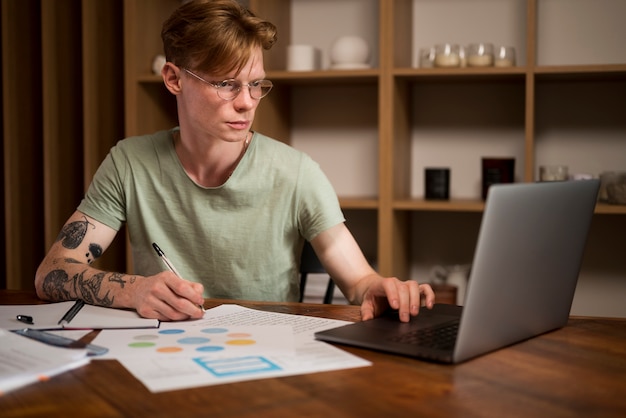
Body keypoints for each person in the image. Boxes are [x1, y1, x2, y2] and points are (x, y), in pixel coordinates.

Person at [34, 0, 434, 323]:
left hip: (268, 360)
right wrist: (134, 289)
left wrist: (379, 288)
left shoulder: (297, 172)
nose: (246, 102)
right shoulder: (129, 162)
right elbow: (52, 271)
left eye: (256, 84)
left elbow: (361, 281)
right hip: (163, 356)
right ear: (174, 79)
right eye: (226, 84)